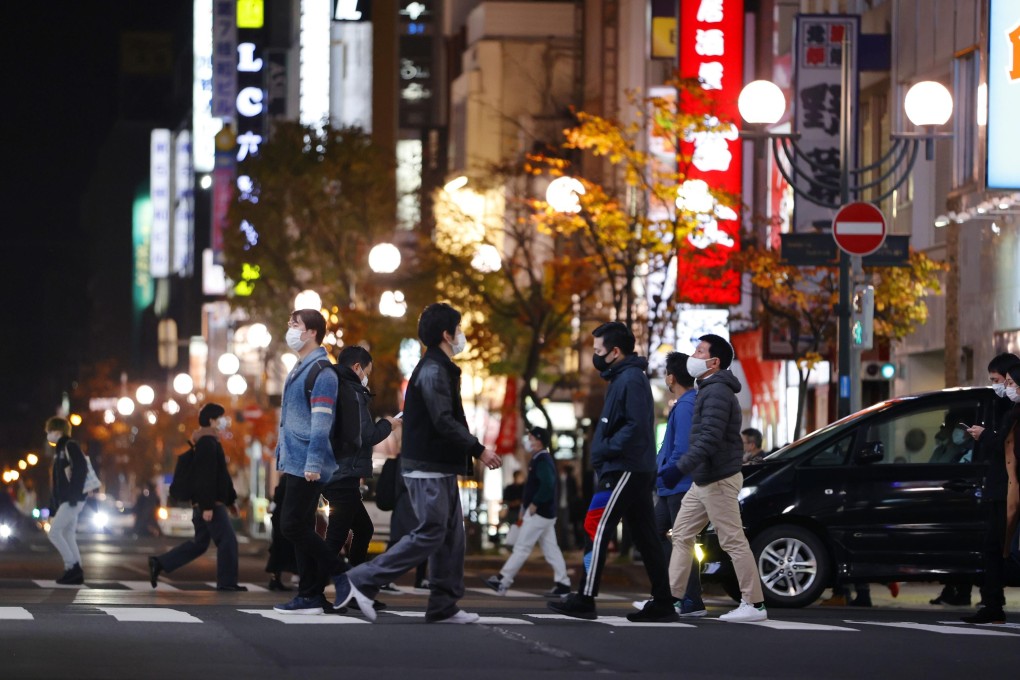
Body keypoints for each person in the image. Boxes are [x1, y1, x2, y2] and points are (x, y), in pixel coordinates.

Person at [333, 302, 503, 623]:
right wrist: (478, 449)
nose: (462, 335)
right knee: (431, 532)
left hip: (438, 464)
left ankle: (443, 604)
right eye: (459, 329)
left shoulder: (438, 368)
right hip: (427, 464)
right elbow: (442, 420)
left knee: (452, 535)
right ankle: (360, 579)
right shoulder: (434, 370)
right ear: (446, 334)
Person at [548, 321, 677, 622]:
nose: (595, 356)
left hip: (624, 468)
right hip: (631, 467)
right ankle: (663, 602)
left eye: (598, 350)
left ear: (615, 351)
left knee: (595, 525)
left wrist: (605, 449)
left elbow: (634, 426)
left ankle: (585, 598)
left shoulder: (629, 379)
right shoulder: (625, 377)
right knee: (645, 536)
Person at [661, 334, 767, 622]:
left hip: (718, 479)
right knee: (681, 534)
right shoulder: (708, 389)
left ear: (714, 361)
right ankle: (672, 600)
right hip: (705, 479)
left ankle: (754, 604)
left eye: (698, 351)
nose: (692, 357)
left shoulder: (717, 392)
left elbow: (708, 438)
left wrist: (678, 468)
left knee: (732, 540)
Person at [272, 309, 345, 614]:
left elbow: (321, 423)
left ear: (312, 332)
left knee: (291, 526)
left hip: (307, 463)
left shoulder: (322, 372)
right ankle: (310, 594)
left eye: (295, 324)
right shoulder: (300, 367)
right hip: (295, 461)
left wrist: (314, 462)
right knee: (300, 526)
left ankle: (344, 575)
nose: (290, 329)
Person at [148, 404, 246, 591]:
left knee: (200, 544)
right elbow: (206, 477)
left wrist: (231, 501)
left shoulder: (208, 442)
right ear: (211, 420)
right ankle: (227, 583)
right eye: (220, 419)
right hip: (210, 505)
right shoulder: (207, 443)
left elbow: (221, 476)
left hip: (208, 503)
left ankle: (159, 563)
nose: (223, 422)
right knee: (228, 541)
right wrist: (207, 506)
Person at [322, 345, 400, 566]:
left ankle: (354, 582)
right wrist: (389, 424)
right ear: (357, 367)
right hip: (344, 475)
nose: (366, 378)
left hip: (337, 472)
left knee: (363, 530)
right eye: (367, 372)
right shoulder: (353, 393)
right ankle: (313, 588)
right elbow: (367, 435)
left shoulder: (334, 386)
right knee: (335, 538)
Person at [961, 353, 1020, 624]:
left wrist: (985, 436)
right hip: (1001, 488)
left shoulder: (1012, 412)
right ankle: (992, 603)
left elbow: (1006, 447)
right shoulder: (1003, 408)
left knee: (1003, 549)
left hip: (1010, 490)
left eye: (1005, 382)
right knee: (994, 549)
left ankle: (993, 604)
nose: (1002, 387)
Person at [485, 426, 571, 597]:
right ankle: (563, 584)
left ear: (538, 440)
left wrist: (534, 504)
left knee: (522, 547)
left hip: (539, 513)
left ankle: (503, 581)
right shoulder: (541, 458)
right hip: (544, 513)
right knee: (551, 550)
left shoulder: (542, 459)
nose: (528, 440)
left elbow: (547, 484)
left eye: (531, 438)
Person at [653, 351, 705, 617]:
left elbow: (682, 448)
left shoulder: (685, 405)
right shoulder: (685, 402)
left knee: (681, 541)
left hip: (678, 484)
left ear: (671, 377)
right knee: (660, 534)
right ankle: (671, 594)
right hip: (670, 485)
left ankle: (689, 599)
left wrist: (665, 473)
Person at [45, 416, 88, 585]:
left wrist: (73, 495)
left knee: (54, 533)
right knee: (67, 534)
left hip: (73, 498)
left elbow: (81, 469)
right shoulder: (60, 449)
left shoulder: (69, 445)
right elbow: (58, 480)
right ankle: (75, 571)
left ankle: (73, 567)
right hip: (68, 499)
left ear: (57, 431)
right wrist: (54, 505)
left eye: (49, 431)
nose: (48, 435)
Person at [265, 482, 297, 591]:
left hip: (281, 518)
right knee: (285, 548)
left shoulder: (286, 478)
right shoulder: (291, 478)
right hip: (286, 518)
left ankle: (275, 579)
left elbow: (276, 498)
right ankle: (294, 576)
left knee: (278, 549)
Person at [500, 471, 525, 545]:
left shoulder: (525, 488)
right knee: (513, 527)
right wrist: (512, 503)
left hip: (522, 512)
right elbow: (505, 500)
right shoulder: (509, 488)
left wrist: (520, 502)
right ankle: (512, 543)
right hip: (512, 512)